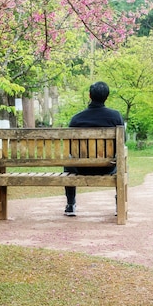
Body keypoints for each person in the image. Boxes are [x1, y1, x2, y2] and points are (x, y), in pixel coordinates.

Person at [64, 81, 125, 217]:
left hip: (80, 168)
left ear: (90, 95)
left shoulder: (76, 119)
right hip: (107, 167)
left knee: (68, 162)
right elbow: (122, 144)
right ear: (107, 97)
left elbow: (70, 147)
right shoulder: (115, 117)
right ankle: (119, 204)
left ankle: (70, 204)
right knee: (121, 162)